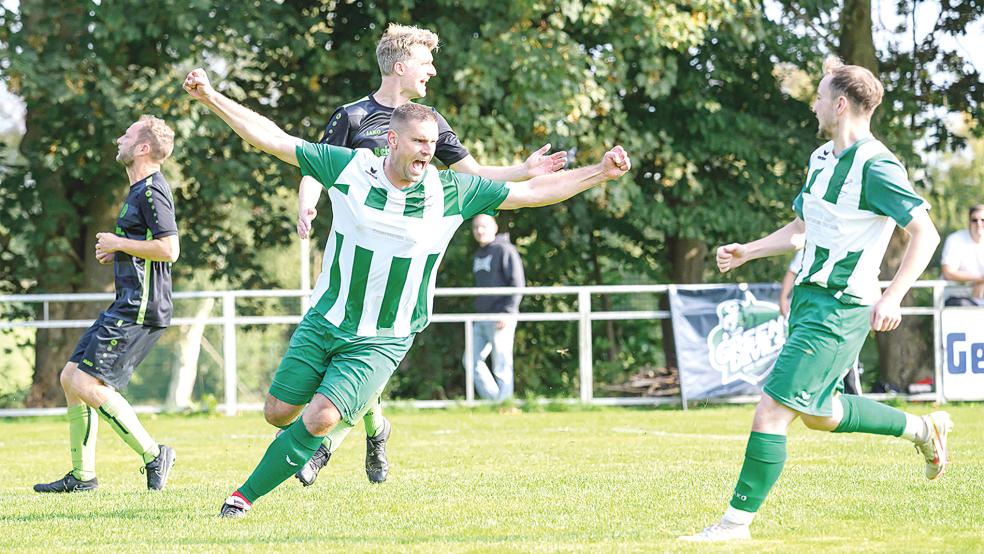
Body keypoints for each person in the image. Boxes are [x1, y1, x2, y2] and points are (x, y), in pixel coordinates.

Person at [182, 67, 630, 518]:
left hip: (386, 333)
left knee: (321, 418)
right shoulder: (352, 167)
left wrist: (599, 173)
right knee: (278, 413)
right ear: (392, 141)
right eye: (419, 142)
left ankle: (241, 498)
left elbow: (531, 191)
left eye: (433, 145)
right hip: (327, 317)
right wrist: (212, 97)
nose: (428, 152)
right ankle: (339, 433)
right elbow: (273, 139)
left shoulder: (451, 191)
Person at [682, 58, 951, 542]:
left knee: (771, 409)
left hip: (842, 305)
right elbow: (803, 230)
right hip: (808, 299)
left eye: (821, 95)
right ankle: (922, 430)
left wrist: (892, 297)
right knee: (820, 414)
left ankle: (734, 525)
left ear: (841, 103)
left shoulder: (877, 165)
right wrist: (750, 251)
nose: (814, 102)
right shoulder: (822, 159)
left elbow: (925, 235)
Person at [294, 23, 566, 487]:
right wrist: (308, 199)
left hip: (407, 259)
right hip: (355, 254)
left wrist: (523, 170)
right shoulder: (352, 116)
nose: (432, 71)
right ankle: (376, 427)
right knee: (352, 349)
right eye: (425, 63)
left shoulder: (431, 122)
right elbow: (312, 161)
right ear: (400, 67)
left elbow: (474, 174)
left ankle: (326, 445)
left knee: (375, 345)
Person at [34, 115, 179, 493]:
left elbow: (169, 249)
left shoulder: (152, 191)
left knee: (84, 380)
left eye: (127, 135)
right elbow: (146, 248)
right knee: (70, 378)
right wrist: (117, 252)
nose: (120, 138)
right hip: (127, 303)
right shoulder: (137, 192)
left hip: (141, 307)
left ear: (143, 147)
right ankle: (83, 476)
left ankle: (153, 454)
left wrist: (118, 244)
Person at [779, 250, 861, 395]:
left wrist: (884, 302)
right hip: (811, 313)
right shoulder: (812, 240)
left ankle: (855, 406)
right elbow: (793, 270)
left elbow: (869, 278)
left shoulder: (853, 244)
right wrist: (783, 298)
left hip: (840, 313)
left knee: (847, 369)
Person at [467, 214, 524, 401]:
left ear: (495, 228)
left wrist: (507, 313)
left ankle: (504, 402)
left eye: (483, 226)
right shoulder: (478, 254)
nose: (479, 231)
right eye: (476, 227)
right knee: (470, 360)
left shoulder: (505, 250)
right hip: (482, 316)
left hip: (501, 316)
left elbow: (517, 283)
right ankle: (496, 401)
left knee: (502, 362)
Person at [940, 204, 984, 306]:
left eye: (983, 220)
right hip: (957, 298)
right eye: (974, 220)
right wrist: (980, 279)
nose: (979, 224)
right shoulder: (955, 239)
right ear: (969, 222)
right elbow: (948, 272)